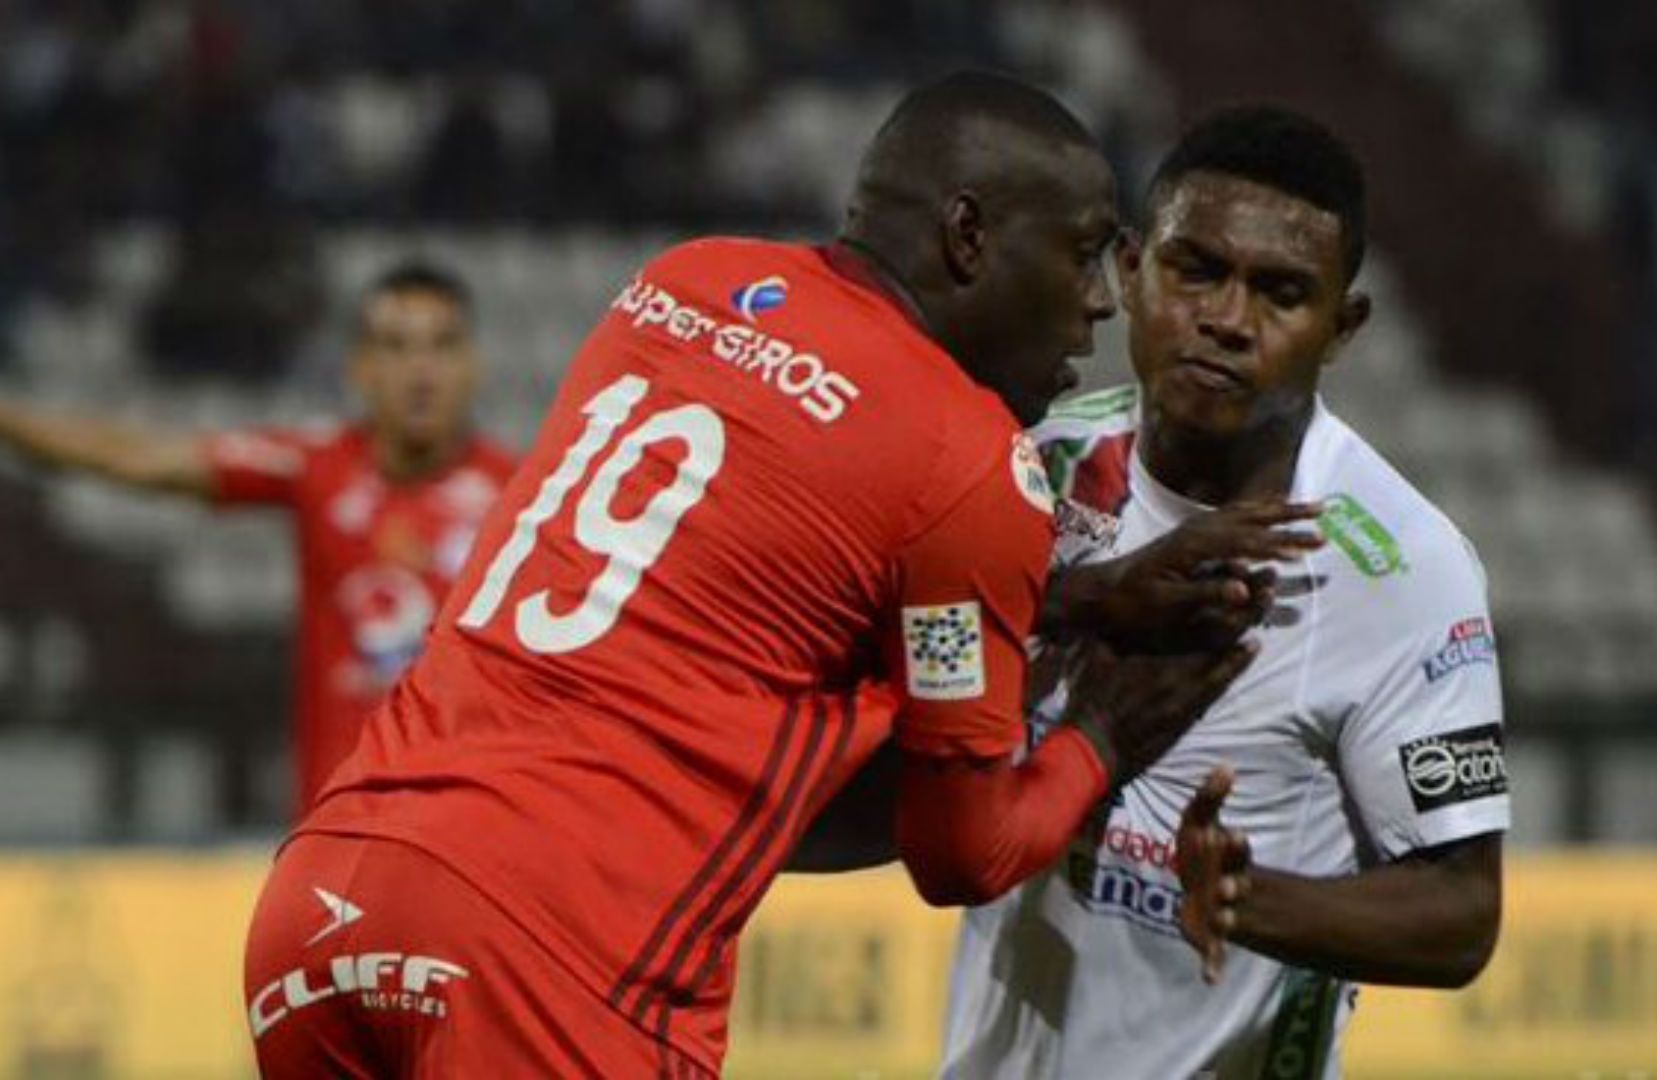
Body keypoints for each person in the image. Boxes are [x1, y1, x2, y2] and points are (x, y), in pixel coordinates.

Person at [241, 72, 1283, 1078]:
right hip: (548, 949)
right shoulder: (970, 460)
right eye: (1083, 256)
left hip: (327, 894)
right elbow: (960, 851)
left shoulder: (685, 283)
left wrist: (1075, 595)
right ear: (970, 237)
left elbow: (761, 559)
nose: (1100, 305)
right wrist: (1101, 736)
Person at [941, 105, 1508, 1080]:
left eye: (1281, 293)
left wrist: (1249, 899)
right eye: (1195, 269)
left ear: (1343, 326)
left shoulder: (1400, 567)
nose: (1228, 321)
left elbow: (1461, 914)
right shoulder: (1035, 470)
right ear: (1130, 268)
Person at [0, 262, 515, 816]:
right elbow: (138, 456)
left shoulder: (522, 498)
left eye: (443, 345)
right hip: (338, 827)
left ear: (473, 367)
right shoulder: (318, 465)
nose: (421, 371)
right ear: (361, 369)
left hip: (462, 831)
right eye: (396, 346)